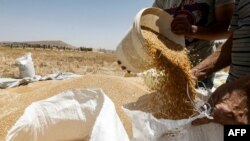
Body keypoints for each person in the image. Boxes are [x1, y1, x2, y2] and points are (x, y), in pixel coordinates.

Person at [192, 0, 250, 125]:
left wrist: (245, 89)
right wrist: (194, 73)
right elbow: (236, 39)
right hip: (232, 108)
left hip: (242, 100)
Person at [153, 0, 234, 89]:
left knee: (197, 101)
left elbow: (229, 27)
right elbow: (152, 22)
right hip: (170, 67)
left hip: (203, 69)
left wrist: (192, 30)